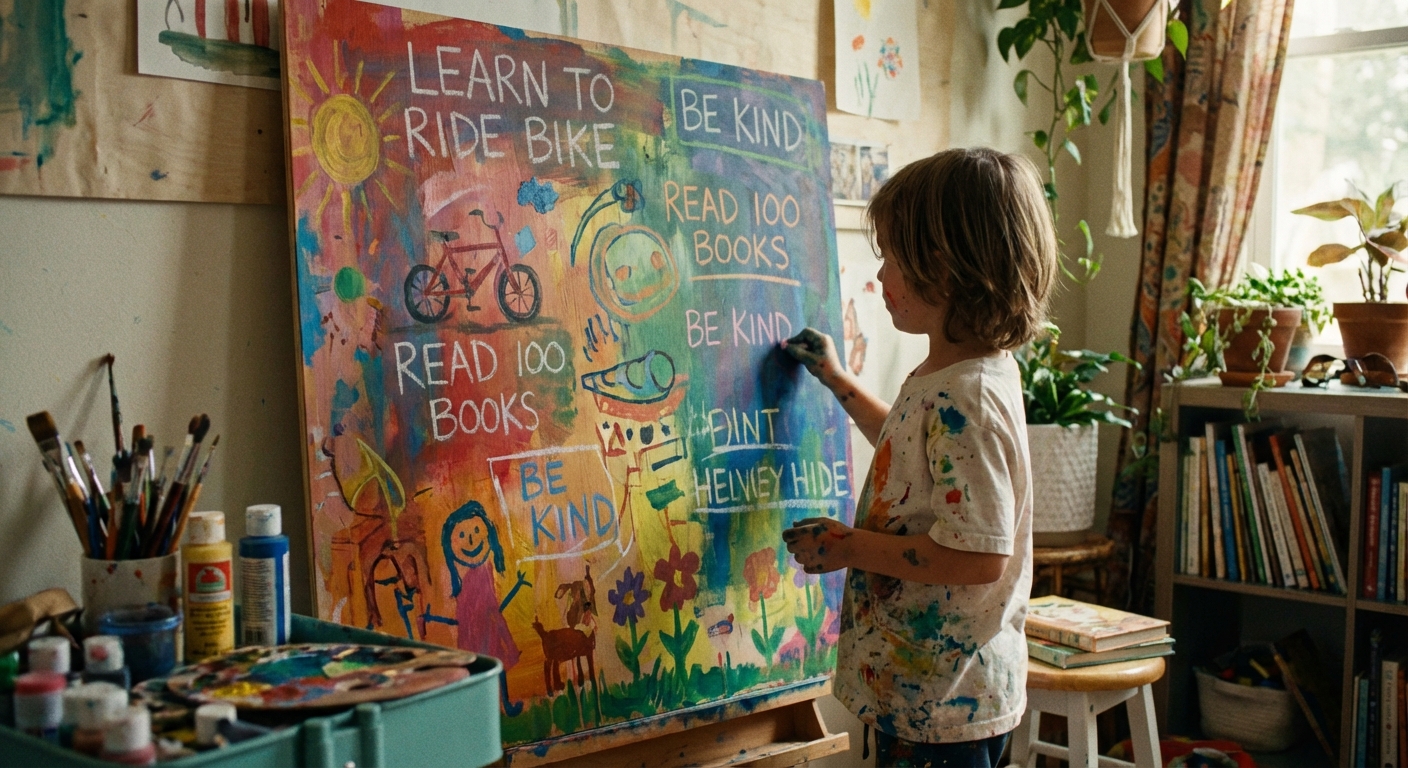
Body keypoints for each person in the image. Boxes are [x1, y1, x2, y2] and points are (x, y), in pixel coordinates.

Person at [782, 147, 1056, 767]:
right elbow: (916, 461)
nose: (881, 279)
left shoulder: (971, 398)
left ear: (947, 269)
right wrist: (839, 380)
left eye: (893, 261)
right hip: (926, 686)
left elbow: (979, 556)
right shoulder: (955, 374)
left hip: (946, 701)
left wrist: (850, 546)